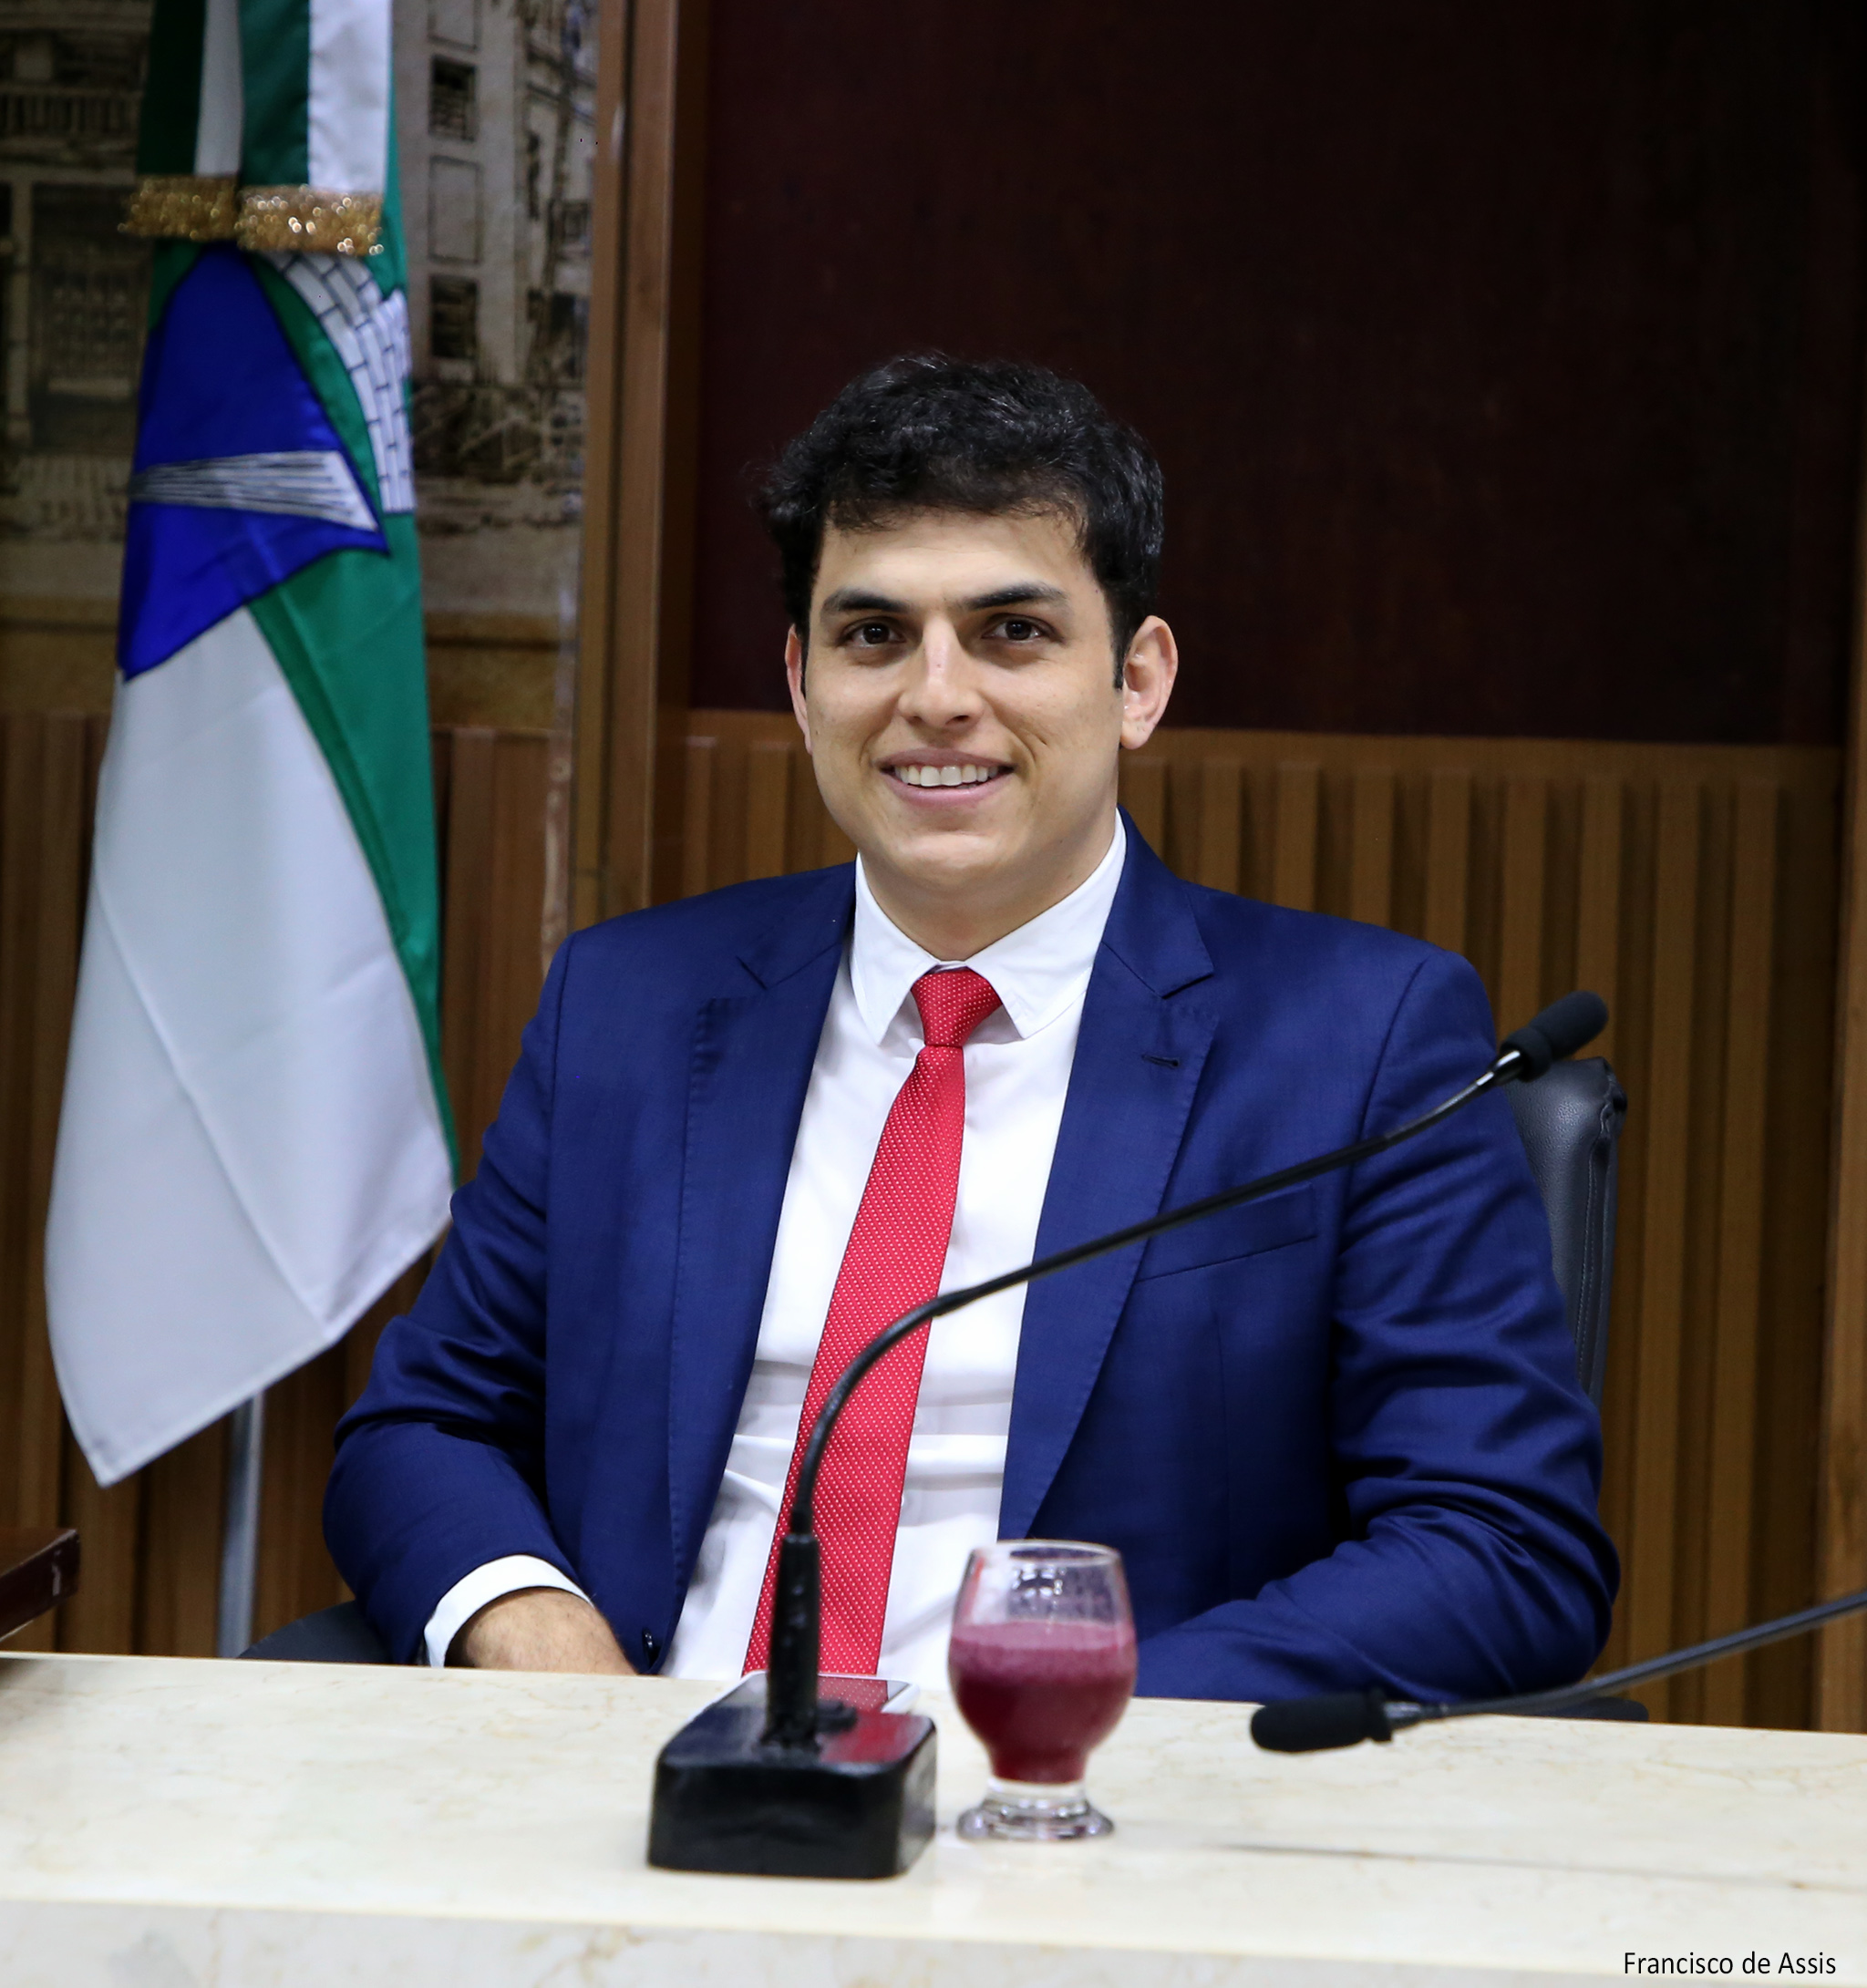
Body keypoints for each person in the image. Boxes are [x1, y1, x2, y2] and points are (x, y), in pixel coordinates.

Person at [325, 355, 1617, 1700]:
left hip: (1084, 1792)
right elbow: (426, 1426)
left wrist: (1067, 1715)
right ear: (802, 682)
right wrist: (542, 1641)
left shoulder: (1361, 1041)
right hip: (644, 1761)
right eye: (874, 635)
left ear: (1137, 680)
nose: (936, 695)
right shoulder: (628, 1006)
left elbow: (1501, 1543)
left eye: (1012, 632)